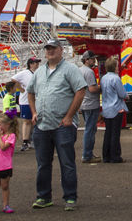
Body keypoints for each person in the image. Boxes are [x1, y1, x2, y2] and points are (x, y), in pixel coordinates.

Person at [26, 39, 86, 211]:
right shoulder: (39, 72)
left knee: (67, 163)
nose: (50, 51)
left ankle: (70, 198)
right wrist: (33, 112)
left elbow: (80, 90)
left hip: (63, 126)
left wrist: (69, 116)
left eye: (53, 48)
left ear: (61, 50)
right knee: (43, 163)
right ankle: (43, 197)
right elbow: (30, 92)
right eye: (48, 49)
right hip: (42, 125)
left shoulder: (70, 69)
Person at [99, 56, 126, 163]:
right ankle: (115, 156)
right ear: (114, 67)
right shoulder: (116, 78)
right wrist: (126, 95)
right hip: (116, 108)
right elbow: (122, 94)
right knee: (115, 134)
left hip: (106, 108)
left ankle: (106, 156)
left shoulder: (103, 78)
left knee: (108, 133)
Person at [78, 51, 101, 164]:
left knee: (89, 128)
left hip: (83, 103)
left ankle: (88, 153)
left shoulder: (79, 70)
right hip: (91, 103)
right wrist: (101, 87)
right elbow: (92, 89)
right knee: (90, 130)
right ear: (87, 60)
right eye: (92, 59)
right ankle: (87, 154)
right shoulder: (89, 72)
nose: (94, 61)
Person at [13, 57, 40, 151]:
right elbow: (13, 79)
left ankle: (32, 140)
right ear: (30, 64)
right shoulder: (24, 73)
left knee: (35, 121)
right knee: (26, 121)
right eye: (35, 62)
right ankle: (25, 141)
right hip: (25, 101)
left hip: (36, 100)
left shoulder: (38, 73)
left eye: (37, 62)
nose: (37, 64)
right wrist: (20, 89)